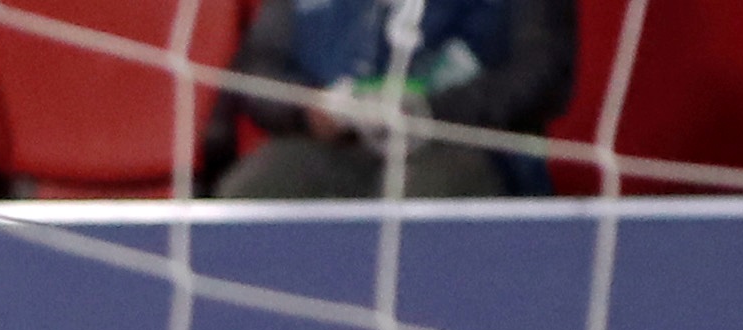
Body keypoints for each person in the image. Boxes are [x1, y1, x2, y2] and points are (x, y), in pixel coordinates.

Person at [216, 0, 574, 199]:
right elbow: (258, 66)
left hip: (466, 149)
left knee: (428, 199)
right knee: (254, 191)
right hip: (332, 147)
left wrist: (432, 112)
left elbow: (544, 74)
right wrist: (307, 108)